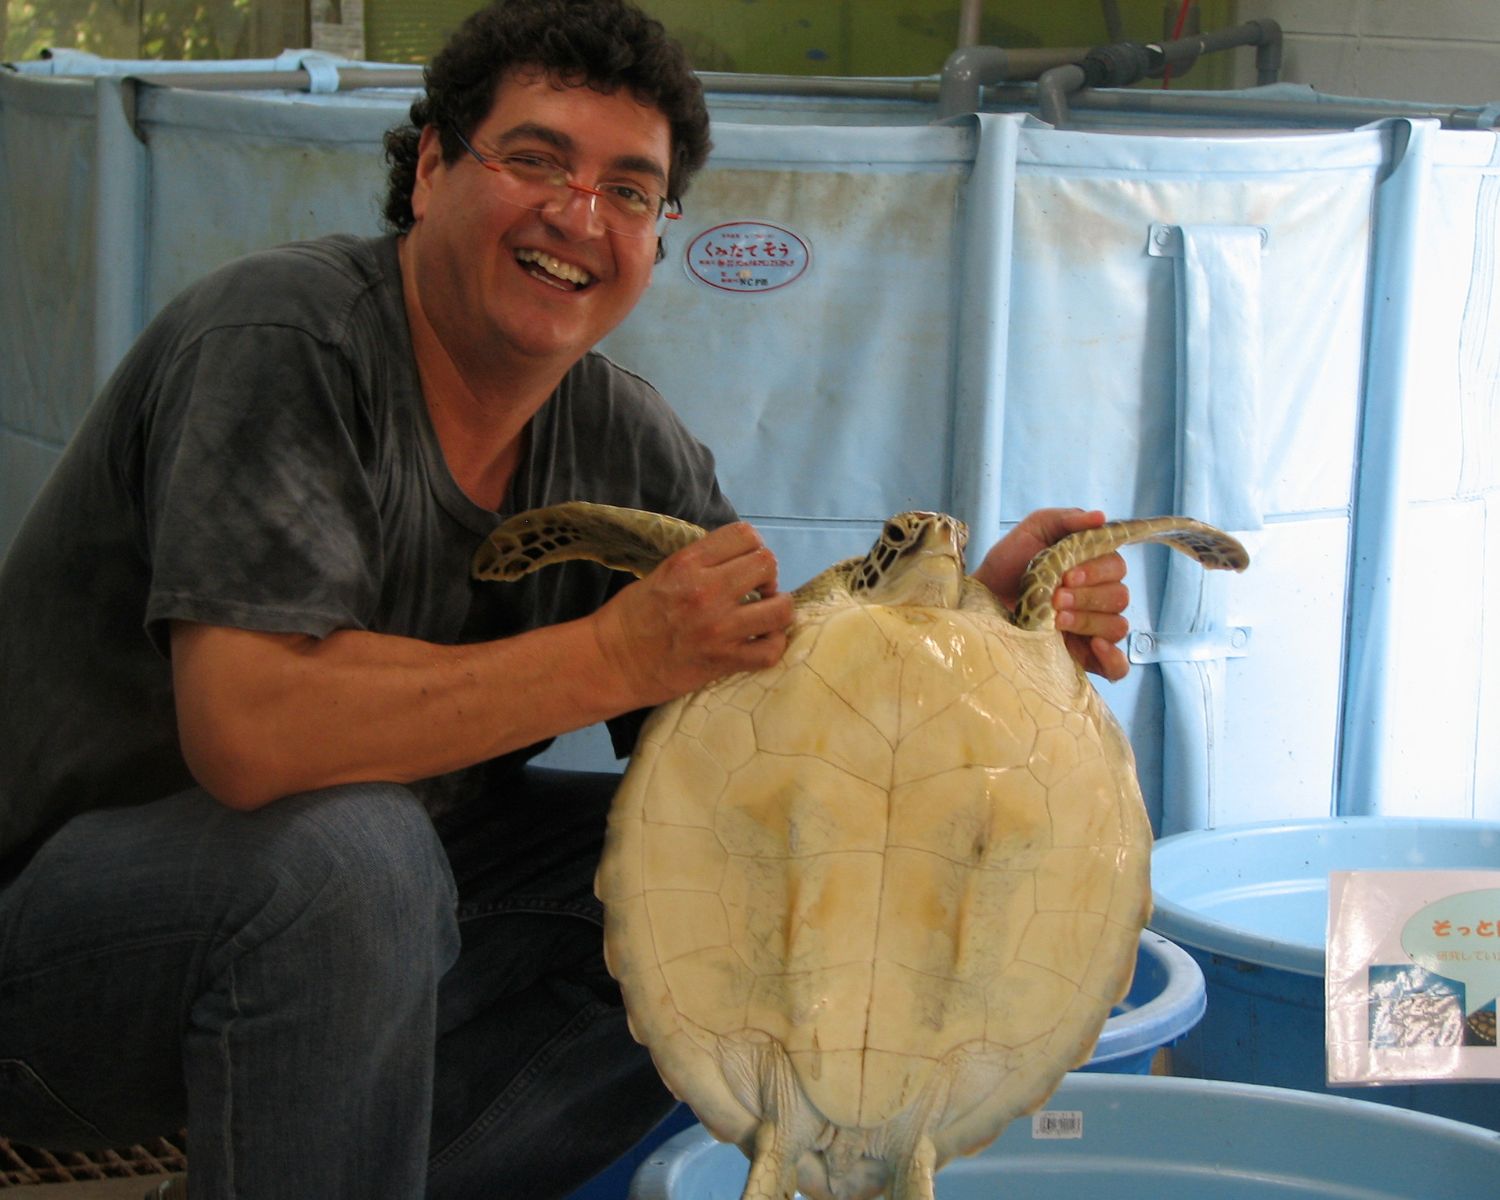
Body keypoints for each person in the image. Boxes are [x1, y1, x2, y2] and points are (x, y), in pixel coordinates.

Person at [0, 1, 1131, 1196]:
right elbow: (249, 730)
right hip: (58, 972)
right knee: (350, 859)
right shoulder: (286, 341)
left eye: (629, 190)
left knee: (701, 880)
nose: (578, 216)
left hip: (376, 932)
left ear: (657, 232)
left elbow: (765, 723)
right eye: (534, 159)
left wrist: (980, 643)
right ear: (431, 167)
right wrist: (612, 657)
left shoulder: (620, 439)